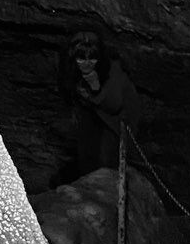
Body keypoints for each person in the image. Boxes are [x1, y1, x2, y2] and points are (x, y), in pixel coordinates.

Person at [59, 27, 142, 178]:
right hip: (93, 115)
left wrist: (95, 88)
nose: (87, 63)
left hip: (117, 122)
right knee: (86, 156)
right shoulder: (71, 70)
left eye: (92, 58)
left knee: (106, 159)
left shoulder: (113, 71)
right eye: (81, 59)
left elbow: (114, 105)